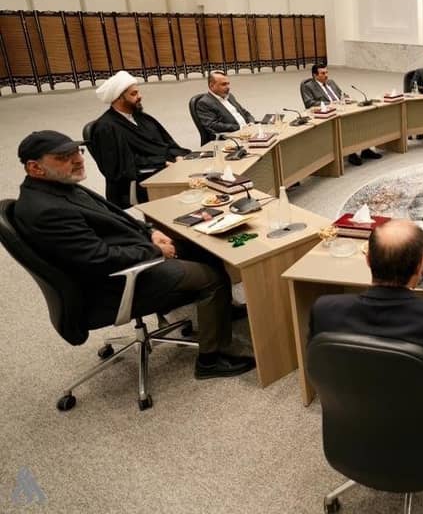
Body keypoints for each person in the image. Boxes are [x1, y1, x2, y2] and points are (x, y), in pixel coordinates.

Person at [13, 130, 254, 379]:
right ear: (35, 167)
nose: (78, 159)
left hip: (130, 252)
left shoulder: (58, 187)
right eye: (64, 156)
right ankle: (210, 361)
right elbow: (98, 259)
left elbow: (114, 217)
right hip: (115, 281)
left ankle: (221, 311)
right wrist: (154, 250)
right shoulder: (45, 211)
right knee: (209, 278)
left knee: (204, 248)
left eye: (77, 152)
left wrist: (150, 232)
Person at [310, 219, 423, 431]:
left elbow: (317, 367)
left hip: (355, 420)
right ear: (420, 266)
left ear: (368, 260)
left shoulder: (324, 311)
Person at [89, 70, 190, 207]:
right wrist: (162, 163)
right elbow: (121, 167)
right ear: (118, 98)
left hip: (165, 167)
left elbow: (165, 143)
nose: (140, 96)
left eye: (138, 92)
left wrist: (177, 156)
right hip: (137, 182)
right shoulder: (105, 128)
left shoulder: (141, 117)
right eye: (133, 94)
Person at [301, 63, 382, 165]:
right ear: (315, 75)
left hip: (342, 108)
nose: (326, 75)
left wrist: (347, 98)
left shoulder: (331, 82)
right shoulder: (308, 86)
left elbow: (341, 94)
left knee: (362, 117)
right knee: (348, 124)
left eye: (326, 72)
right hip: (328, 114)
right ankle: (351, 153)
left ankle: (365, 150)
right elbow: (309, 103)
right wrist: (331, 104)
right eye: (323, 73)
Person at [194, 70, 255, 141]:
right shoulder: (204, 103)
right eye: (223, 84)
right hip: (232, 137)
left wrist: (251, 122)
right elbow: (213, 125)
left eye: (228, 84)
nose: (228, 87)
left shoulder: (229, 96)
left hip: (248, 131)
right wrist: (240, 127)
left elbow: (244, 112)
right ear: (211, 86)